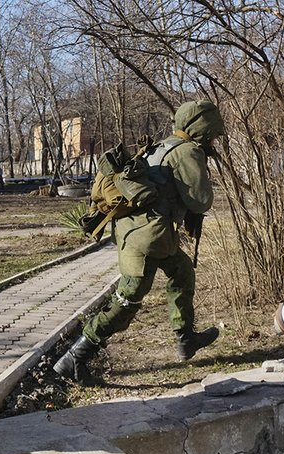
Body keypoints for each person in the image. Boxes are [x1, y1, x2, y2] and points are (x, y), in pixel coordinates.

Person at [54, 100, 225, 385]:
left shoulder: (162, 146)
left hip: (143, 234)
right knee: (127, 301)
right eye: (213, 133)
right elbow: (201, 200)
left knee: (182, 272)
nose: (215, 139)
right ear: (202, 129)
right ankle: (75, 358)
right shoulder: (188, 151)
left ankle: (186, 338)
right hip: (148, 241)